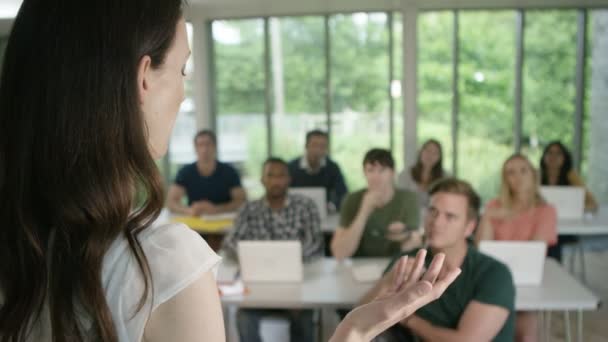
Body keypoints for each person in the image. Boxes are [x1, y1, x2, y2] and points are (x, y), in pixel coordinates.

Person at [0, 1, 460, 341]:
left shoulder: (22, 242)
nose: (183, 95)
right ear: (144, 77)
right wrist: (353, 332)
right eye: (182, 70)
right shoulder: (162, 263)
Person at [360, 178, 516, 341]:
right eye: (433, 211)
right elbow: (358, 324)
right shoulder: (408, 260)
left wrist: (408, 319)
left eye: (450, 216)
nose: (436, 222)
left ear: (469, 227)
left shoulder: (494, 274)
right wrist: (386, 282)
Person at [476, 154, 558, 342]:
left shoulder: (545, 210)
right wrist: (488, 217)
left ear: (533, 174)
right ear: (505, 179)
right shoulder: (493, 206)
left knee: (526, 335)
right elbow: (482, 248)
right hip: (493, 278)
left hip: (526, 280)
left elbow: (534, 252)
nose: (518, 177)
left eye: (523, 170)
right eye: (510, 173)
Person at [331, 149, 420, 259]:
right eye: (370, 170)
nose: (376, 176)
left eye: (382, 170)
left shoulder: (408, 199)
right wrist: (364, 211)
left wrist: (405, 235)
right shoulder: (352, 199)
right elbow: (339, 253)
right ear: (364, 173)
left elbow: (416, 245)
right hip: (360, 266)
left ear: (392, 173)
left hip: (395, 263)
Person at [540, 141, 598, 262]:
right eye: (550, 153)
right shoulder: (537, 175)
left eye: (558, 154)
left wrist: (575, 208)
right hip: (542, 223)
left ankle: (552, 269)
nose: (553, 157)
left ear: (564, 158)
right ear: (544, 156)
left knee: (553, 237)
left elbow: (592, 203)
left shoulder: (571, 176)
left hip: (565, 227)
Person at [166, 129, 247, 216]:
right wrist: (188, 210)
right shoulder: (185, 172)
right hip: (195, 221)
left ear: (215, 146)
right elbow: (171, 202)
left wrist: (216, 209)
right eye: (200, 145)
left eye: (208, 144)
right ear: (195, 148)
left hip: (224, 222)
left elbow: (241, 201)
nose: (204, 149)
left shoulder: (229, 172)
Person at [288, 130, 348, 212]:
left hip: (325, 212)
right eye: (314, 145)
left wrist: (333, 205)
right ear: (306, 146)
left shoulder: (332, 167)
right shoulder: (291, 167)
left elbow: (343, 193)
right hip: (295, 212)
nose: (318, 150)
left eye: (323, 146)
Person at [397, 139, 449, 215]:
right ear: (420, 152)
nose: (430, 155)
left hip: (435, 218)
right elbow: (400, 201)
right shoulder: (405, 175)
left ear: (439, 157)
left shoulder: (445, 177)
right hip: (409, 217)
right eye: (427, 151)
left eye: (435, 153)